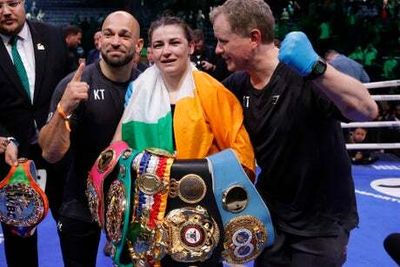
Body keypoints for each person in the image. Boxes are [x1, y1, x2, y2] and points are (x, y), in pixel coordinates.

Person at [210, 0, 379, 266]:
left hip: (321, 218)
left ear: (254, 38)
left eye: (223, 41)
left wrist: (316, 68)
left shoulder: (305, 75)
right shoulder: (236, 85)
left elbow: (367, 110)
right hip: (271, 214)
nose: (218, 49)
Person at [113, 16, 255, 266]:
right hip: (149, 214)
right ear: (150, 52)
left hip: (202, 218)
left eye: (174, 42)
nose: (166, 51)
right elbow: (119, 150)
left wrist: (195, 174)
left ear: (190, 47)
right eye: (158, 45)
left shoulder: (213, 91)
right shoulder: (137, 91)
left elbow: (241, 156)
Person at [38, 11, 143, 266]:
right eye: (108, 34)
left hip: (135, 202)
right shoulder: (75, 85)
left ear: (138, 45)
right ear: (98, 40)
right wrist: (64, 109)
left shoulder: (148, 84)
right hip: (79, 201)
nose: (115, 41)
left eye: (124, 35)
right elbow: (50, 153)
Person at [0, 0, 70, 265]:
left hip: (58, 152)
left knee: (70, 228)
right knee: (19, 238)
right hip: (11, 157)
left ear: (24, 3)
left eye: (12, 3)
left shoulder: (52, 35)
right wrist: (5, 139)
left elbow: (68, 87)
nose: (6, 11)